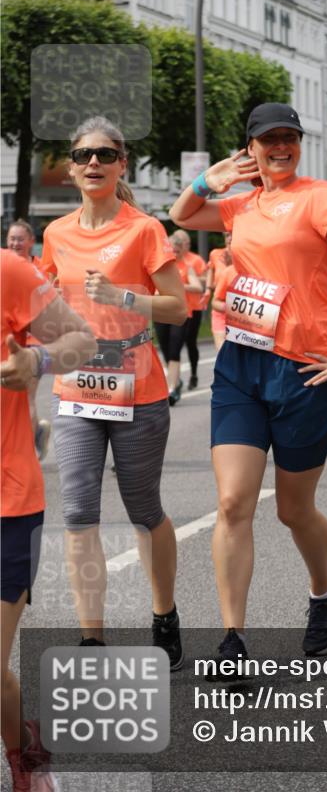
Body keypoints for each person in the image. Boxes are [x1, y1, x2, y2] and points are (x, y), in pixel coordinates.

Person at [169, 102, 327, 660]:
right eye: (269, 139)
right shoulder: (241, 206)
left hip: (305, 370)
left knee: (292, 510)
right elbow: (183, 215)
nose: (280, 147)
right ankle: (234, 637)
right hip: (241, 363)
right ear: (251, 147)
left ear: (299, 144)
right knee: (234, 501)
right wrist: (207, 179)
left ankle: (323, 590)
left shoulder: (319, 196)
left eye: (289, 138)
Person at [39, 117, 188, 667]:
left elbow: (177, 306)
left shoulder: (144, 229)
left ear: (122, 164)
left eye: (105, 154)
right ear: (71, 168)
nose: (93, 164)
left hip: (138, 389)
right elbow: (44, 306)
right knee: (78, 512)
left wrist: (127, 298)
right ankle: (92, 638)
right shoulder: (55, 234)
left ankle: (164, 614)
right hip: (76, 389)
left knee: (144, 508)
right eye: (83, 156)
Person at [1, 249, 97, 791]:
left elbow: (82, 340)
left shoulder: (8, 272)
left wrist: (36, 362)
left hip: (8, 504)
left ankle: (27, 764)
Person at [6, 220, 50, 460]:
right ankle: (37, 433)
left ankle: (28, 455)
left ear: (32, 242)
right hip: (9, 343)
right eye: (11, 238)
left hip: (34, 342)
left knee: (27, 396)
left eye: (20, 239)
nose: (15, 243)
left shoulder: (41, 269)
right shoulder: (4, 267)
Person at [154, 231, 204, 405]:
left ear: (182, 250)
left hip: (182, 313)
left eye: (176, 251)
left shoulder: (186, 266)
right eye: (171, 250)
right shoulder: (158, 266)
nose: (173, 254)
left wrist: (179, 286)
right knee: (166, 350)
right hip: (160, 312)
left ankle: (172, 388)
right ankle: (176, 380)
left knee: (175, 350)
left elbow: (198, 287)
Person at [179, 231, 208, 390]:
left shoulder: (195, 260)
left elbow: (205, 279)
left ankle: (194, 374)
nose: (185, 245)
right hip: (179, 308)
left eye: (187, 243)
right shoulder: (173, 260)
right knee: (176, 343)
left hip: (194, 306)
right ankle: (176, 377)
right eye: (182, 242)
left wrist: (193, 278)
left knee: (190, 341)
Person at [208, 240, 234, 352]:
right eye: (227, 235)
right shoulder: (216, 254)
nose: (230, 238)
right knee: (222, 353)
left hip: (244, 317)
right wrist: (208, 288)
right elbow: (211, 269)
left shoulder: (250, 261)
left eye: (232, 235)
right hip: (222, 308)